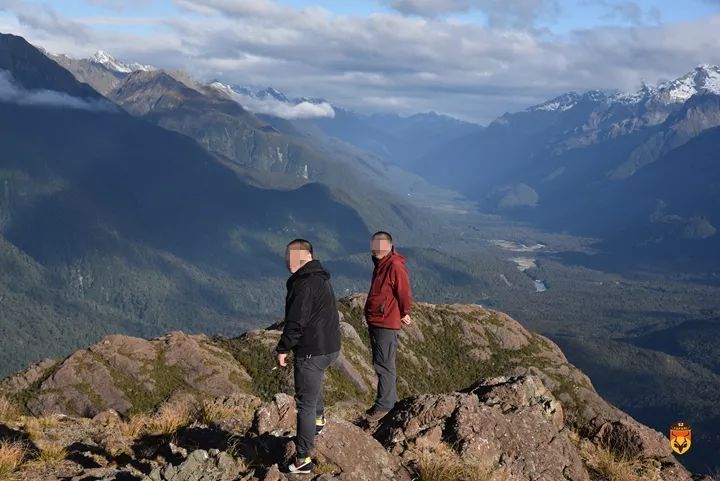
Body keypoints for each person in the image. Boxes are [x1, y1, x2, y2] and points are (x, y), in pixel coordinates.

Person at [275, 239, 341, 474]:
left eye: (290, 257)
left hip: (312, 351)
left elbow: (295, 323)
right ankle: (320, 419)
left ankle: (302, 458)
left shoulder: (303, 284)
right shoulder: (320, 277)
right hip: (330, 348)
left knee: (305, 404)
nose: (287, 261)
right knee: (314, 386)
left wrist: (283, 348)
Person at [363, 231, 413, 421]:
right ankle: (385, 402)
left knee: (384, 364)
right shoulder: (381, 264)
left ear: (390, 246)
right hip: (377, 320)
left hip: (386, 322)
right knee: (380, 363)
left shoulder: (394, 265)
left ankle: (385, 406)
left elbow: (404, 293)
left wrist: (403, 312)